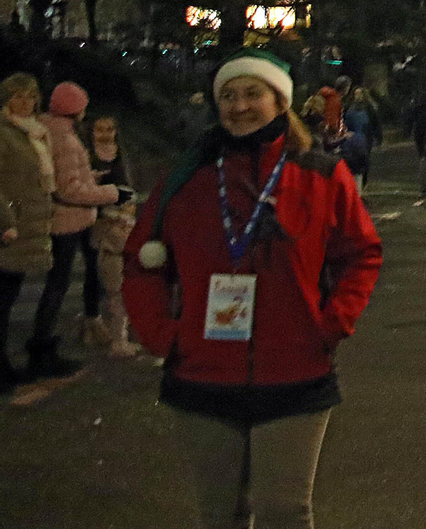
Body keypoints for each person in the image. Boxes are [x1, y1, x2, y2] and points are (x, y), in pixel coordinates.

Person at [125, 48, 382, 529]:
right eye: (228, 96)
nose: (239, 106)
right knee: (220, 514)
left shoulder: (322, 174)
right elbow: (142, 262)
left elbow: (361, 254)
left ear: (280, 102)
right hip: (202, 374)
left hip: (296, 371)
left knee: (285, 511)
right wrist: (163, 334)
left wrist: (332, 323)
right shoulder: (188, 179)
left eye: (252, 94)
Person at [34, 81, 126, 378]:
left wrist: (89, 179)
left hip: (68, 217)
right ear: (75, 109)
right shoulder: (64, 138)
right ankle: (41, 349)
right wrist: (111, 193)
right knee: (58, 284)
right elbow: (69, 190)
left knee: (60, 281)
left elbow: (67, 179)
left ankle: (44, 345)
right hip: (68, 220)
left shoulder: (52, 131)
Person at [0, 72, 56, 391]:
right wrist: (5, 221)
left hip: (28, 225)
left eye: (31, 96)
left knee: (8, 296)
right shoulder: (4, 132)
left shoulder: (34, 132)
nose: (26, 102)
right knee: (2, 298)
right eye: (18, 96)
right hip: (10, 227)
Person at [84, 111, 140, 357]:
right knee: (104, 280)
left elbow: (128, 188)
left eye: (110, 129)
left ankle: (115, 333)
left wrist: (127, 210)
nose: (106, 134)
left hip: (119, 221)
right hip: (97, 222)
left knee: (117, 281)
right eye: (100, 129)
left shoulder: (121, 155)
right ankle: (109, 333)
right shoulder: (86, 155)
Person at [339, 87, 380, 190]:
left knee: (364, 158)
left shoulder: (369, 108)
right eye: (355, 94)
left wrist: (378, 136)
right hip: (352, 137)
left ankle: (362, 181)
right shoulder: (349, 107)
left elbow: (375, 123)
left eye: (359, 94)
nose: (357, 96)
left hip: (365, 137)